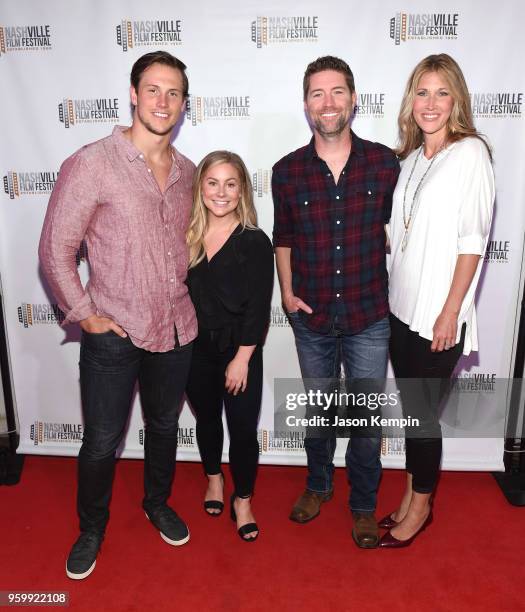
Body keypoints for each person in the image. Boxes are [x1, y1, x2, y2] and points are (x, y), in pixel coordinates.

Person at [39, 51, 197, 579]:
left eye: (173, 92)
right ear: (133, 94)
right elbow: (55, 250)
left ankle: (156, 502)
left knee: (164, 425)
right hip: (114, 331)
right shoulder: (92, 163)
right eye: (153, 89)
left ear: (183, 103)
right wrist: (85, 315)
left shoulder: (188, 172)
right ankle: (91, 528)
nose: (162, 101)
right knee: (102, 441)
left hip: (175, 329)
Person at [272, 56, 400, 548]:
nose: (329, 103)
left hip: (369, 313)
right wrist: (286, 291)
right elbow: (283, 238)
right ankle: (318, 484)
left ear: (354, 98)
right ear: (306, 104)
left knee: (366, 418)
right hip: (313, 316)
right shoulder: (287, 171)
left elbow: (403, 230)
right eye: (318, 94)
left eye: (338, 92)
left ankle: (364, 505)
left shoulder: (384, 163)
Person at [380, 54, 495, 548]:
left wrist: (450, 310)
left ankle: (422, 506)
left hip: (437, 316)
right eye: (422, 92)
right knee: (412, 414)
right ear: (411, 100)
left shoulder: (470, 154)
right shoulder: (407, 160)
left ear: (457, 101)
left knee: (423, 419)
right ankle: (410, 494)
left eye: (441, 93)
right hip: (400, 309)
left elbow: (473, 241)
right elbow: (399, 234)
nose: (430, 103)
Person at [185, 151, 273, 542]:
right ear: (201, 186)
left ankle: (243, 500)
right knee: (206, 421)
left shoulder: (254, 242)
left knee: (242, 432)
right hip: (193, 352)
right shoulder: (185, 237)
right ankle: (214, 480)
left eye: (231, 184)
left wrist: (241, 358)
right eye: (213, 183)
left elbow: (257, 309)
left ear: (242, 191)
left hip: (241, 353)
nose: (221, 192)